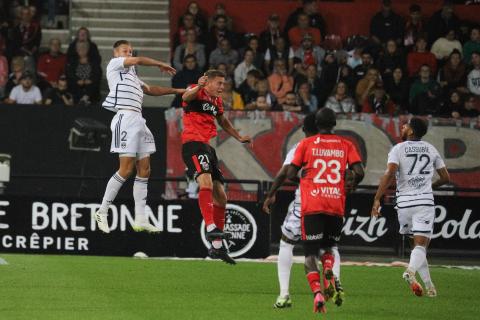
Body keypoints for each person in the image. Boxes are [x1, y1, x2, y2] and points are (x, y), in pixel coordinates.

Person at [95, 40, 181, 234]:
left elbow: (151, 90)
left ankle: (140, 218)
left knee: (145, 169)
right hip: (124, 118)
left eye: (130, 51)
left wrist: (178, 91)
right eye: (126, 51)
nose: (129, 53)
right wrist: (159, 63)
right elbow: (140, 59)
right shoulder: (114, 64)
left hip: (139, 120)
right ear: (116, 53)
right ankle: (102, 211)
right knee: (125, 170)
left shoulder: (132, 76)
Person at [262, 113, 345, 309]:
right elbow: (351, 174)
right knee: (330, 246)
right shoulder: (339, 146)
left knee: (286, 243)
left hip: (306, 202)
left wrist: (271, 194)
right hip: (332, 201)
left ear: (306, 129)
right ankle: (336, 281)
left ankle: (284, 295)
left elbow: (286, 173)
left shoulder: (303, 145)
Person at [286, 108, 364, 313]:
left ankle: (318, 293)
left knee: (310, 255)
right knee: (328, 249)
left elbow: (290, 173)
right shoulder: (347, 144)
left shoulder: (305, 144)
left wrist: (305, 181)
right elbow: (359, 171)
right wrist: (350, 185)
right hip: (335, 204)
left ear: (316, 124)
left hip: (312, 204)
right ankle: (328, 266)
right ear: (334, 123)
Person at [371, 117, 450, 298]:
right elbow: (446, 178)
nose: (403, 127)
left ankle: (430, 288)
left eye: (405, 126)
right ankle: (410, 271)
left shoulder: (397, 149)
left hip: (404, 204)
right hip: (423, 202)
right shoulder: (431, 149)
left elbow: (390, 172)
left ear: (412, 131)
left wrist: (377, 198)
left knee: (417, 247)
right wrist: (430, 187)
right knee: (421, 246)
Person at [181, 70, 251, 264]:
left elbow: (222, 120)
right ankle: (211, 227)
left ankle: (217, 247)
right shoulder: (195, 91)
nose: (222, 87)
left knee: (221, 196)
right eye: (219, 83)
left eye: (223, 83)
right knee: (206, 182)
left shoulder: (217, 101)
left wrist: (238, 136)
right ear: (208, 82)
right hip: (192, 144)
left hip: (208, 148)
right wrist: (199, 85)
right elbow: (186, 96)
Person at [65, 41, 102, 105]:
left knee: (94, 84)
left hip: (90, 85)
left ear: (88, 49)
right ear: (76, 50)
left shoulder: (93, 61)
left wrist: (91, 80)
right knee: (72, 84)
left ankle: (85, 98)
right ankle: (83, 100)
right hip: (77, 84)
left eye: (84, 48)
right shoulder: (72, 61)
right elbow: (69, 74)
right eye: (79, 48)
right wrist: (77, 80)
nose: (82, 50)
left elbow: (98, 73)